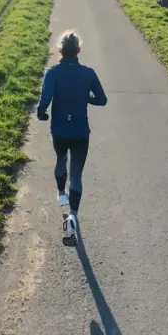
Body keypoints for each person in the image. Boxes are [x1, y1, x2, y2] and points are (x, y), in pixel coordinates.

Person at [37, 30, 107, 245]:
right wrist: (86, 97)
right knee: (76, 174)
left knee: (60, 160)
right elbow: (102, 100)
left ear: (60, 50)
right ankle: (72, 217)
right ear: (78, 49)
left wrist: (42, 113)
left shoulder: (53, 73)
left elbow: (45, 100)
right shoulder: (88, 73)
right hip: (80, 132)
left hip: (59, 130)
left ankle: (61, 195)